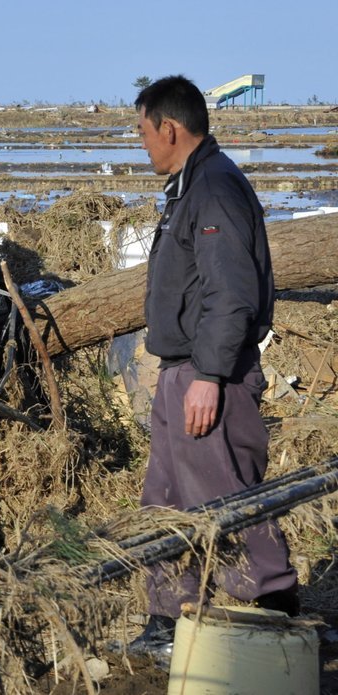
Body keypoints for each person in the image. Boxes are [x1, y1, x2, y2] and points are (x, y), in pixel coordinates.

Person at [123, 76, 299, 663]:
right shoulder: (189, 187)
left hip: (209, 375)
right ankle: (168, 621)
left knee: (226, 497)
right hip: (181, 371)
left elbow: (231, 293)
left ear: (170, 129)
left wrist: (209, 376)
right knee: (168, 501)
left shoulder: (215, 189)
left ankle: (273, 616)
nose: (142, 144)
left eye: (143, 133)